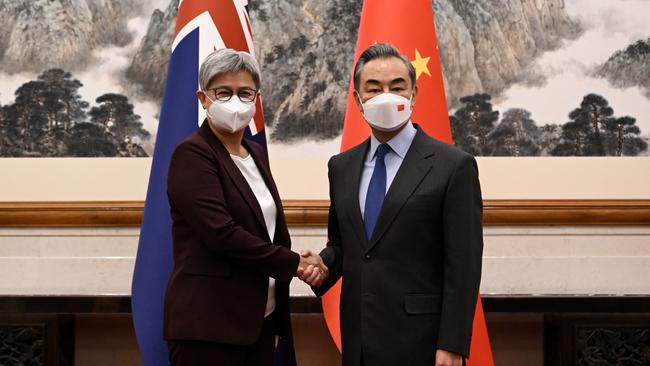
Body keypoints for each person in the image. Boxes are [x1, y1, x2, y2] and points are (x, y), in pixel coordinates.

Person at [303, 43, 483, 366]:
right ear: (358, 101)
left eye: (397, 87)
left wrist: (453, 344)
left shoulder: (453, 166)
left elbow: (464, 264)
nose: (386, 96)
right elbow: (347, 244)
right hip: (359, 341)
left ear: (414, 93)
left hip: (423, 344)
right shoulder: (341, 166)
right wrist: (324, 264)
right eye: (374, 88)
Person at [163, 48, 327, 366]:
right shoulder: (192, 155)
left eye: (244, 93)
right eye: (223, 93)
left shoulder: (254, 154)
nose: (235, 102)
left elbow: (269, 234)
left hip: (257, 323)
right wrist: (294, 263)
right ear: (203, 98)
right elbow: (221, 234)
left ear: (256, 99)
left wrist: (275, 320)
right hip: (208, 325)